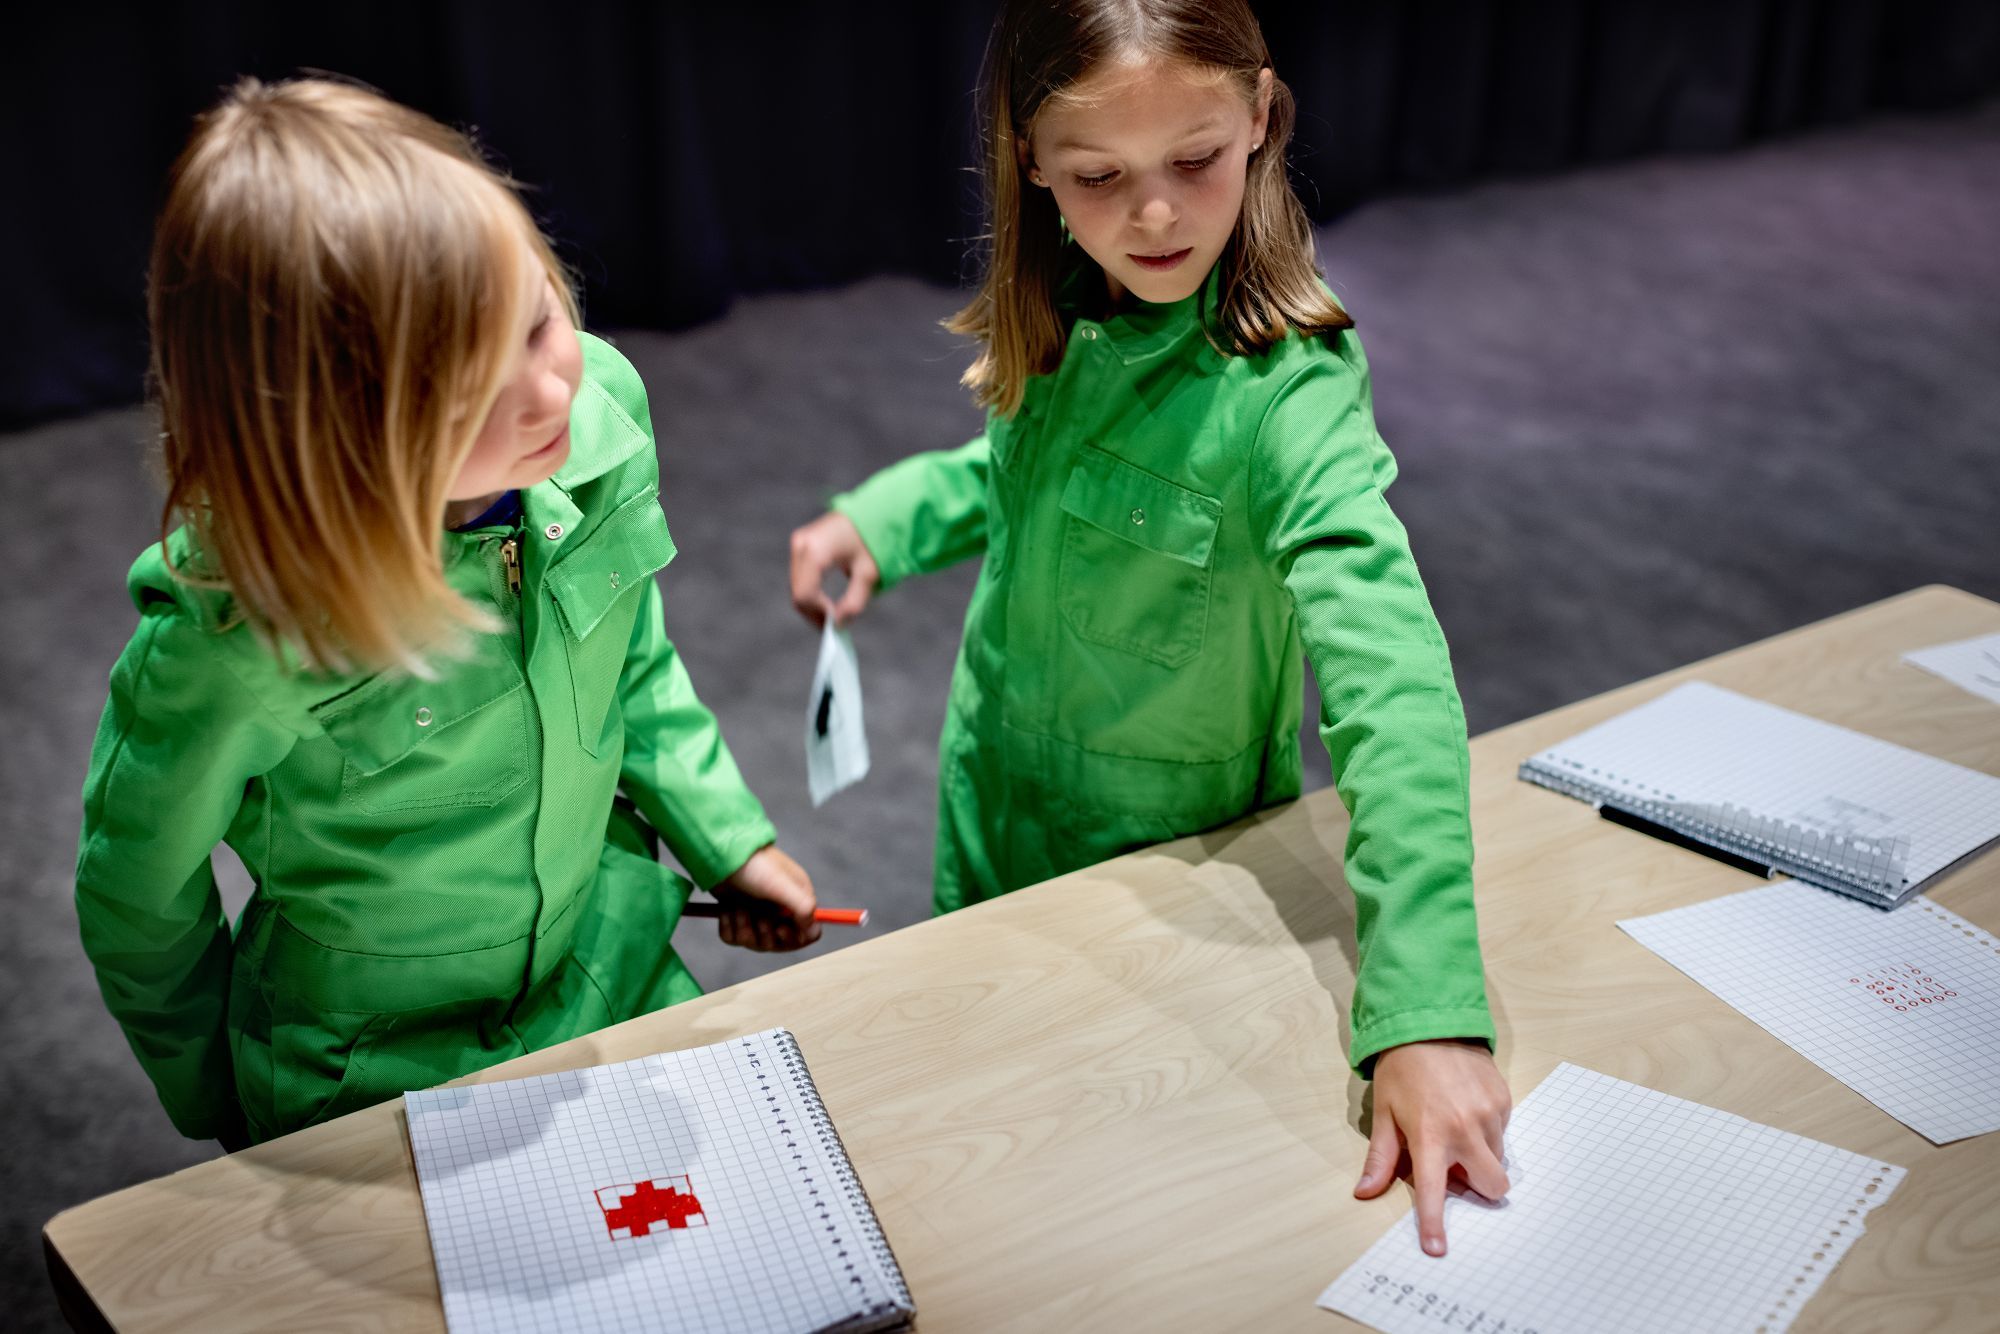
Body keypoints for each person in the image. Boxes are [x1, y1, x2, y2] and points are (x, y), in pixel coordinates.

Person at [788, 0, 1509, 1254]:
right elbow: (1034, 476)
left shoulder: (1288, 394)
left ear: (1259, 118)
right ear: (1028, 159)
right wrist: (888, 518)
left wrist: (1430, 1006)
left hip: (1169, 880)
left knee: (1132, 1216)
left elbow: (1389, 677)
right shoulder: (1074, 297)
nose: (1156, 215)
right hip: (990, 821)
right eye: (1098, 177)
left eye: (1195, 158)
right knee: (976, 1163)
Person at [75, 77, 817, 1148]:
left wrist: (724, 836)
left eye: (537, 321)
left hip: (601, 964)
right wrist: (214, 1102)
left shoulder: (597, 417)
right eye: (467, 395)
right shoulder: (234, 632)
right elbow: (137, 896)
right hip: (368, 1063)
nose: (550, 394)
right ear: (323, 432)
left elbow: (629, 653)